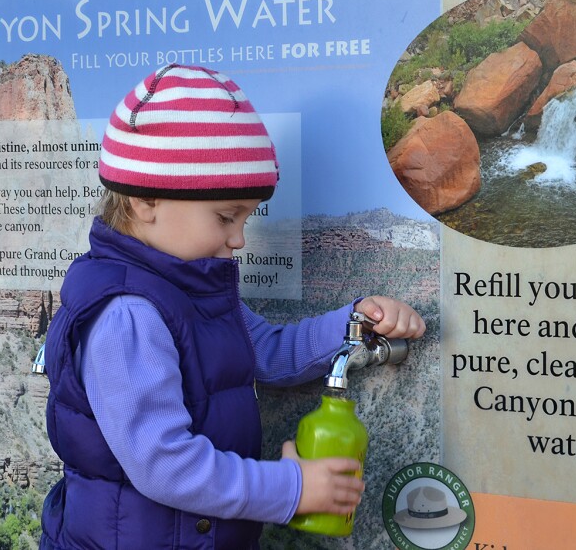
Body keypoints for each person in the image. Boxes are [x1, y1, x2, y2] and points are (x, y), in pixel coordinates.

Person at [40, 64, 426, 550]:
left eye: (246, 217)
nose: (239, 239)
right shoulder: (128, 314)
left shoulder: (188, 287)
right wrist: (294, 488)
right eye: (226, 217)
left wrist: (355, 323)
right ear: (144, 200)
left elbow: (265, 349)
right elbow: (164, 464)